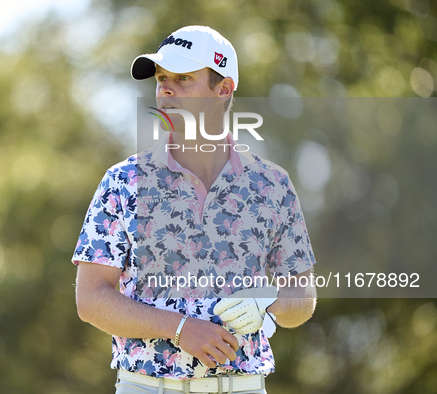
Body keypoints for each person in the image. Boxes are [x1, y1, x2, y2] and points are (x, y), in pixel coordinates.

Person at [73, 25, 317, 394]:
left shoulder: (271, 185)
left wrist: (269, 300)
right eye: (161, 78)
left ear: (223, 89)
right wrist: (179, 328)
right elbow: (91, 299)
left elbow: (303, 298)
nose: (166, 89)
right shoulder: (124, 182)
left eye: (184, 78)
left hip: (244, 387)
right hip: (147, 387)